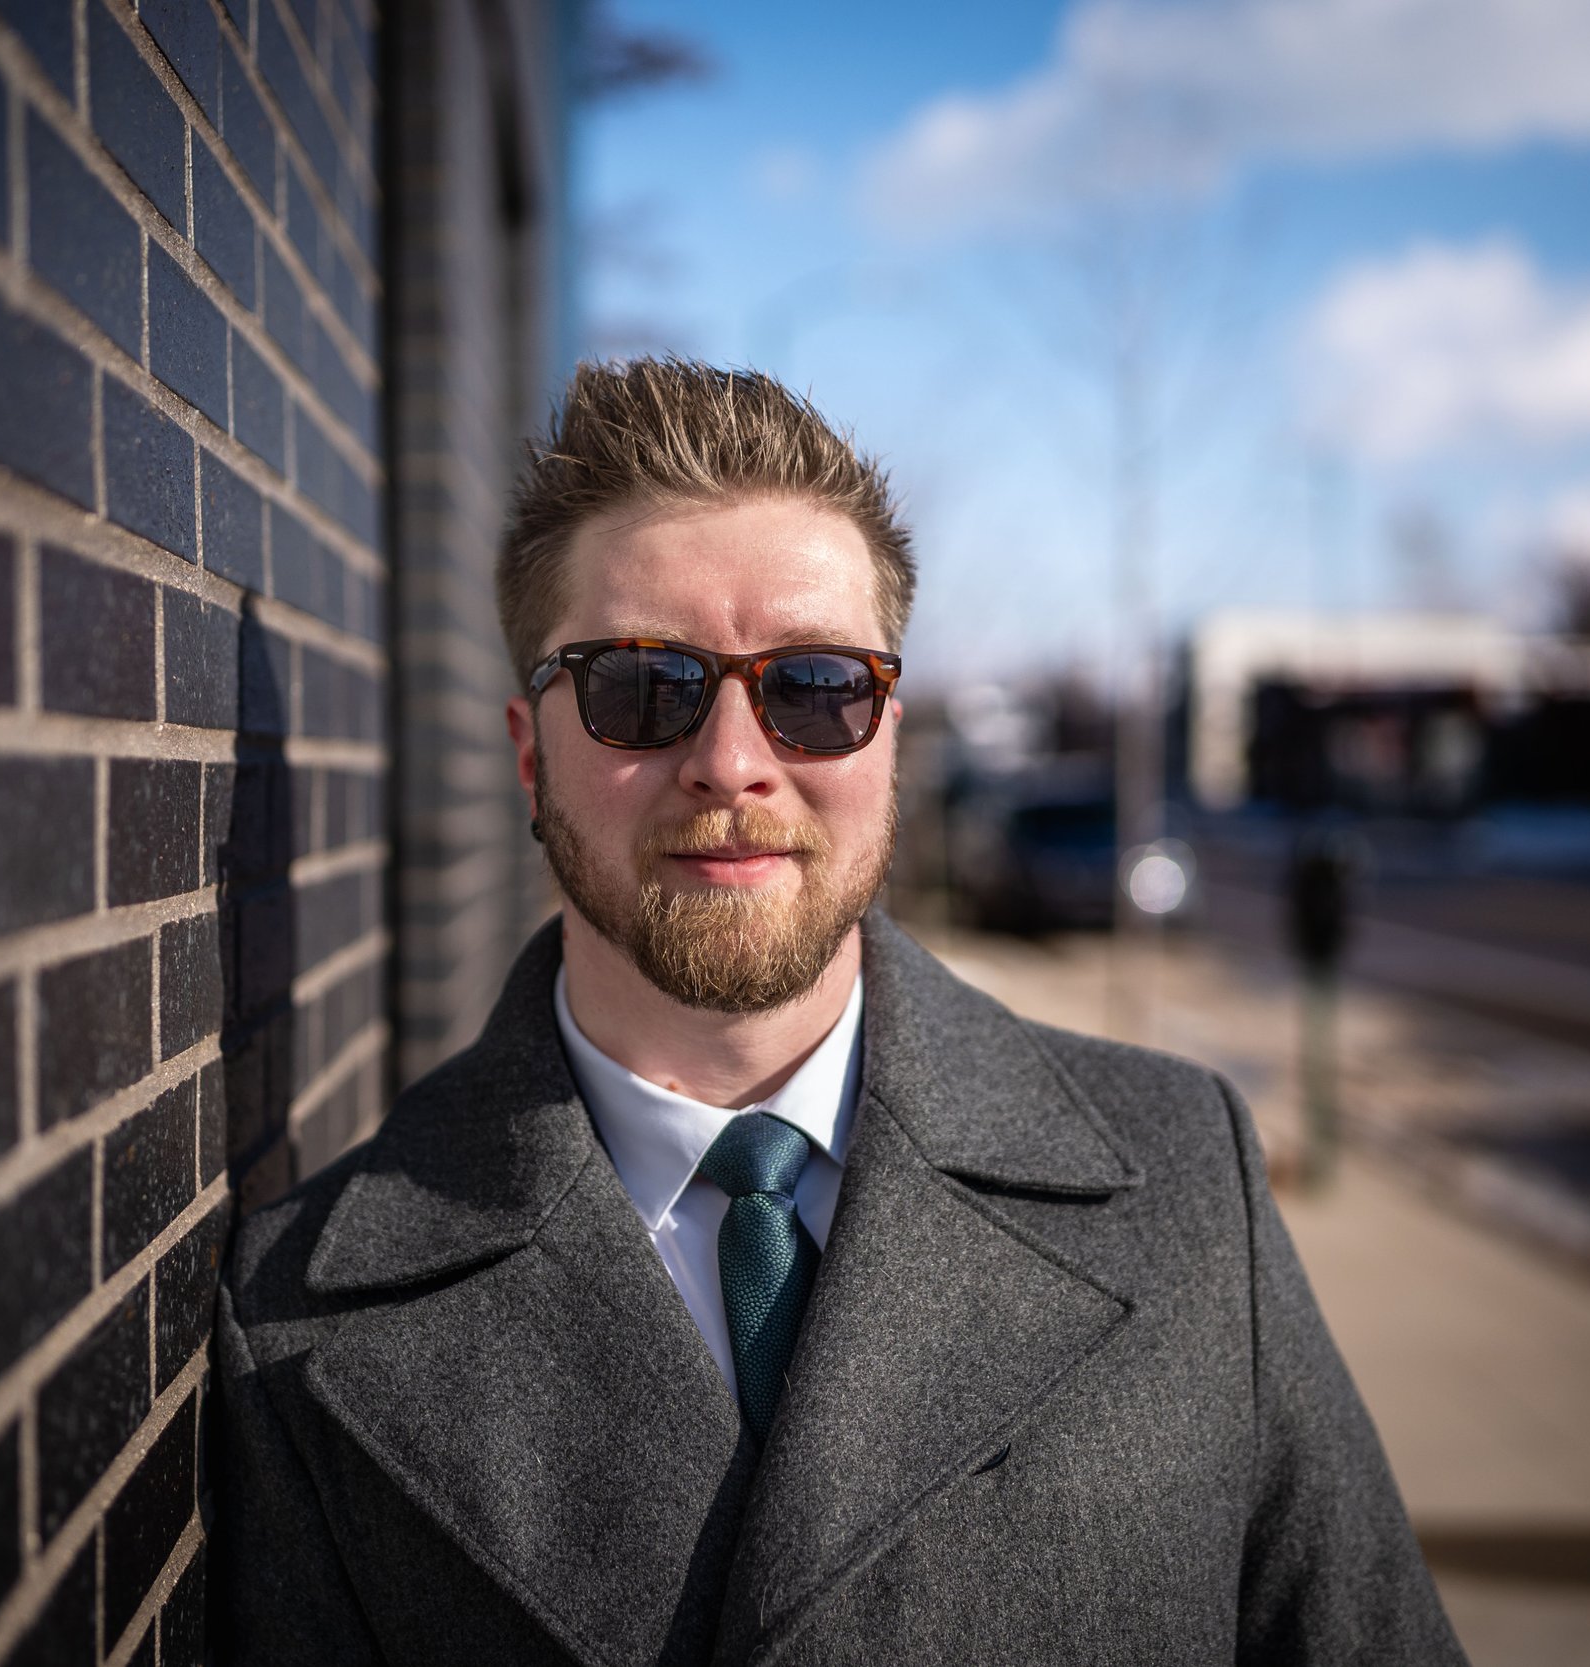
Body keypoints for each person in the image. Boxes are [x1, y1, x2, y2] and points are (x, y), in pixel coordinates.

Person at [212, 357, 1466, 1665]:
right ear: (533, 756)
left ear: (889, 740)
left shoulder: (1185, 1183)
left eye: (817, 689)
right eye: (644, 687)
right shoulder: (304, 1315)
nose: (734, 763)